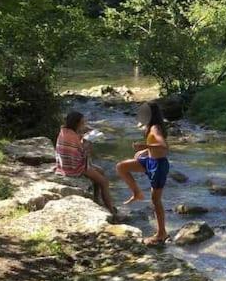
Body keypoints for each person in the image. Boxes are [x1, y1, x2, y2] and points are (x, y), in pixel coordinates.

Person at [116, 102, 170, 245]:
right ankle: (137, 193)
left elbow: (163, 147)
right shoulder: (151, 127)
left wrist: (144, 146)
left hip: (158, 166)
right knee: (121, 167)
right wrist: (144, 151)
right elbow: (155, 146)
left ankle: (161, 233)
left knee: (156, 201)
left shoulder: (155, 128)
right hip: (149, 161)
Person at [55, 111, 116, 215]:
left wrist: (85, 136)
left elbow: (77, 144)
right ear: (76, 124)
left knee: (101, 171)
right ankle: (112, 211)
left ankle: (97, 199)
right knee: (104, 182)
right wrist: (89, 143)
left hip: (65, 164)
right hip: (74, 167)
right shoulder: (73, 136)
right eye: (82, 123)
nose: (84, 125)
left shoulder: (65, 131)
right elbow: (82, 154)